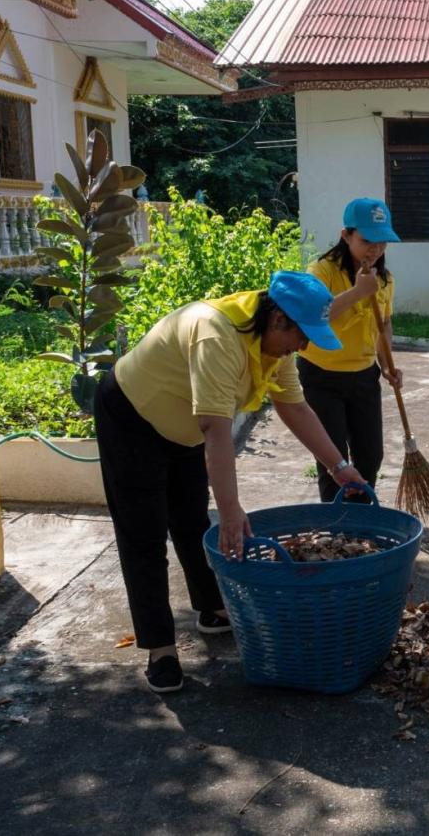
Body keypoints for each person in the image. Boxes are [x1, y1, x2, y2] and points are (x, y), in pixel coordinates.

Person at [94, 271, 367, 694]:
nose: (305, 346)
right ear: (279, 320)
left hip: (183, 426)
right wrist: (232, 510)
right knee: (143, 534)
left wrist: (337, 466)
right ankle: (160, 648)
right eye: (303, 336)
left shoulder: (275, 346)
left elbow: (294, 408)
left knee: (190, 523)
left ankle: (210, 608)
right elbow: (216, 430)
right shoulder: (216, 336)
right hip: (132, 419)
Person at [298, 197, 401, 503]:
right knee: (334, 460)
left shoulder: (384, 278)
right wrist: (357, 292)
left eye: (382, 242)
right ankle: (337, 524)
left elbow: (383, 325)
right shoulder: (321, 271)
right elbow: (313, 316)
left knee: (370, 455)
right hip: (321, 376)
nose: (375, 249)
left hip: (363, 375)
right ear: (346, 235)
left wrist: (386, 364)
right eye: (367, 240)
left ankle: (361, 520)